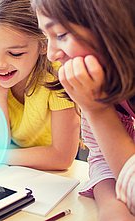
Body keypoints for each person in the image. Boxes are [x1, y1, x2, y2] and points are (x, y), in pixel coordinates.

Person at [33, 0, 135, 219]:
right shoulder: (98, 84)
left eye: (60, 35)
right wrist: (111, 206)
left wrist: (97, 110)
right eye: (46, 36)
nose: (51, 54)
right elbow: (101, 158)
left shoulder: (94, 99)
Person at [0, 0, 80, 170]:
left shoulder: (58, 77)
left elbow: (62, 157)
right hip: (10, 174)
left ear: (44, 45)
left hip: (50, 177)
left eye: (15, 53)